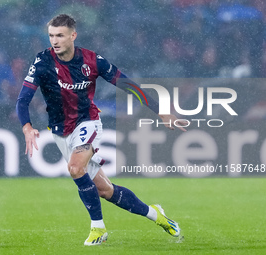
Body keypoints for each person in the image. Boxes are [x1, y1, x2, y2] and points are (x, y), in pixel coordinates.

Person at [16, 14, 185, 246]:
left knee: (75, 167)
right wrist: (27, 126)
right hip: (60, 131)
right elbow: (23, 99)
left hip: (87, 123)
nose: (55, 41)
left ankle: (98, 229)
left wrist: (161, 111)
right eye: (51, 36)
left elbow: (128, 85)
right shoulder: (43, 61)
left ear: (73, 36)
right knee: (105, 191)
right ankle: (157, 215)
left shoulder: (92, 61)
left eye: (60, 36)